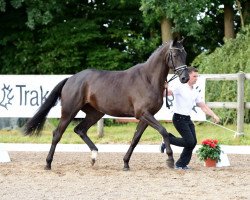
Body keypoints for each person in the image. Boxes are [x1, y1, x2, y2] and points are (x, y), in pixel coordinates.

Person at [160, 66, 220, 170]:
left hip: (187, 119)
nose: (196, 78)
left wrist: (214, 115)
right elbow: (166, 94)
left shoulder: (195, 91)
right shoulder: (180, 87)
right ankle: (167, 139)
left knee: (193, 142)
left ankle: (181, 164)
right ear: (188, 76)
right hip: (178, 118)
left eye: (197, 76)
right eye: (194, 76)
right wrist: (164, 87)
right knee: (189, 142)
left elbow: (203, 106)